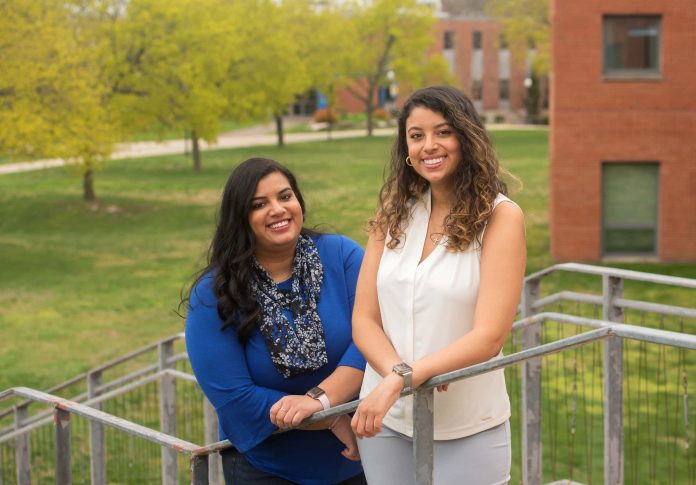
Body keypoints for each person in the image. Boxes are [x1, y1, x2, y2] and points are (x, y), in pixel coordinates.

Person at [350, 86, 526, 485]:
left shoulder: (501, 218)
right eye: (416, 135)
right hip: (387, 423)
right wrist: (397, 377)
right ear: (406, 147)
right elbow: (364, 318)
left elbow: (489, 336)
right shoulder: (391, 214)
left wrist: (406, 377)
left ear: (466, 136)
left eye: (443, 132)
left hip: (467, 425)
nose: (429, 145)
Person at [185, 157, 367, 485]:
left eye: (285, 196)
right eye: (259, 204)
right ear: (240, 218)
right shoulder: (213, 294)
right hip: (266, 468)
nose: (278, 209)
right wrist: (327, 418)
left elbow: (372, 334)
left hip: (359, 459)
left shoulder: (342, 255)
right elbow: (232, 395)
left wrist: (322, 401)